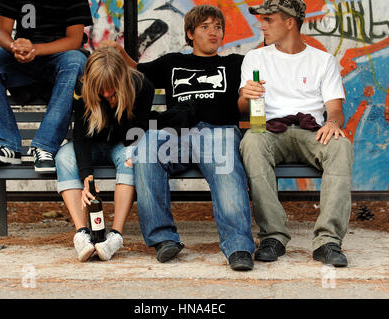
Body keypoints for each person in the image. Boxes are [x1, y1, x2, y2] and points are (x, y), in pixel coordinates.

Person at [100, 5, 256, 271]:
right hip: (177, 136)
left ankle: (238, 246)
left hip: (217, 131)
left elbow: (248, 96)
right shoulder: (173, 62)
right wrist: (118, 52)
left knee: (225, 167)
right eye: (205, 27)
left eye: (217, 27)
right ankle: (163, 239)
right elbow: (136, 69)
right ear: (190, 34)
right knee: (147, 146)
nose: (213, 32)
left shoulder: (235, 63)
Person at [238, 0, 353, 267]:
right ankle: (273, 236)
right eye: (261, 20)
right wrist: (246, 95)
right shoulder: (255, 58)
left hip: (310, 130)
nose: (261, 25)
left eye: (268, 20)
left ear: (290, 22)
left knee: (340, 145)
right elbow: (243, 107)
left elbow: (335, 108)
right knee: (251, 143)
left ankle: (328, 241)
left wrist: (333, 123)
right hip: (269, 129)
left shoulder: (322, 60)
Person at [55, 47, 154, 262]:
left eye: (112, 89)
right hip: (92, 145)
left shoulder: (142, 86)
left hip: (122, 143)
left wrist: (117, 105)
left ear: (122, 79)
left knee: (130, 157)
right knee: (64, 156)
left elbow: (133, 136)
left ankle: (115, 236)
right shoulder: (82, 89)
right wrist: (87, 176)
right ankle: (82, 234)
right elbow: (80, 136)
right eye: (102, 90)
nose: (107, 94)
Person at [0, 0, 92, 173]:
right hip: (22, 59)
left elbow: (74, 40)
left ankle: (45, 147)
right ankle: (4, 144)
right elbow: (2, 32)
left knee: (77, 60)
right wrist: (14, 47)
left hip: (59, 60)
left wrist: (34, 49)